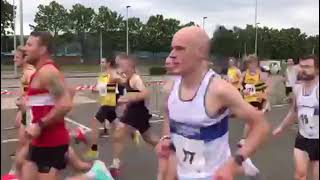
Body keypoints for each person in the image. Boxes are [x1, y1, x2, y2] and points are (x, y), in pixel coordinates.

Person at [155, 26, 269, 180]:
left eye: (180, 49)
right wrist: (166, 138)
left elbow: (261, 125)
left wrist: (233, 164)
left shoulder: (219, 90)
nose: (171, 56)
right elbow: (169, 115)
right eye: (172, 49)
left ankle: (244, 165)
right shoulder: (170, 88)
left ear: (200, 52)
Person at [18, 31, 110, 180]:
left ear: (42, 49)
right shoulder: (39, 72)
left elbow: (65, 103)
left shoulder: (48, 72)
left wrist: (39, 124)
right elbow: (69, 91)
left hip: (51, 141)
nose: (24, 49)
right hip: (39, 140)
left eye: (29, 44)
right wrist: (26, 104)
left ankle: (94, 175)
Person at [109, 55, 160, 177]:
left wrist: (128, 98)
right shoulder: (127, 78)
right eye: (118, 64)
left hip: (137, 112)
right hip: (134, 111)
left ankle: (115, 165)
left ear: (130, 66)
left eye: (122, 64)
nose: (119, 67)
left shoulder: (136, 79)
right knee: (149, 138)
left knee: (118, 134)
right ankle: (169, 151)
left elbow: (145, 93)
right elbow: (116, 81)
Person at [273, 55, 319, 180]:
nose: (303, 69)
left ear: (317, 69)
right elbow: (294, 112)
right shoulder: (297, 89)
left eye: (308, 67)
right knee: (300, 174)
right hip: (302, 137)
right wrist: (281, 127)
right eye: (301, 66)